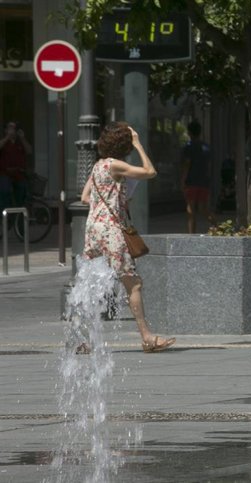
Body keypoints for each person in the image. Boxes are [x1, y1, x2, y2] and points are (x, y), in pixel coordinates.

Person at [81, 122, 176, 353]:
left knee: (95, 285)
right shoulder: (116, 165)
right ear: (124, 144)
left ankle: (88, 340)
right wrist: (139, 143)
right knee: (133, 284)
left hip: (93, 230)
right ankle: (147, 338)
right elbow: (150, 172)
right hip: (112, 231)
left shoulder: (98, 166)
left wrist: (114, 199)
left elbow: (85, 198)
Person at [181, 120, 216, 233]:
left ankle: (192, 233)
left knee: (190, 208)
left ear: (189, 132)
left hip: (191, 180)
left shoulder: (188, 147)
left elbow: (187, 164)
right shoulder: (206, 147)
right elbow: (209, 165)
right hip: (203, 180)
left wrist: (183, 180)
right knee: (203, 208)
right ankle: (216, 224)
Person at [0, 121, 33, 211]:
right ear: (6, 130)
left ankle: (18, 220)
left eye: (14, 128)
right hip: (5, 173)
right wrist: (7, 137)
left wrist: (22, 138)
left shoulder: (20, 142)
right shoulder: (4, 142)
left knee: (21, 195)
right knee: (4, 193)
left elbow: (29, 151)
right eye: (10, 128)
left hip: (18, 173)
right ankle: (5, 218)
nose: (12, 130)